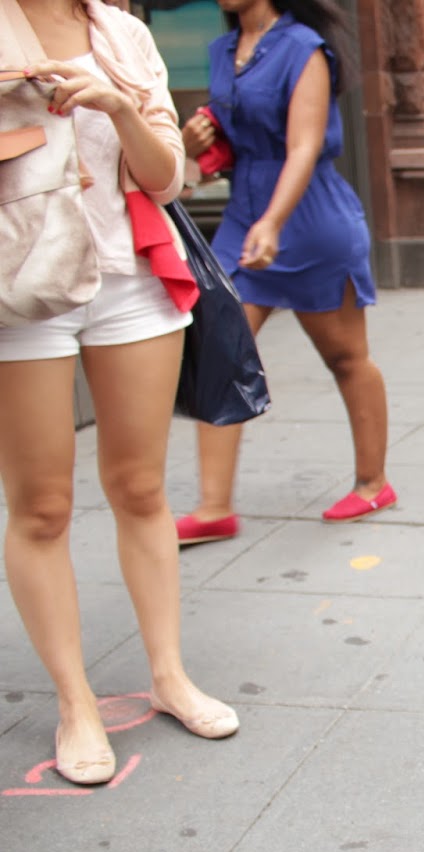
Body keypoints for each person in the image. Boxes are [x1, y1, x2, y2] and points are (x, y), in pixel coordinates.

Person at [0, 0, 240, 784]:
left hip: (133, 280)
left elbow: (169, 179)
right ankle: (76, 703)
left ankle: (168, 675)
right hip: (22, 285)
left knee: (141, 487)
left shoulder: (123, 33)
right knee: (41, 506)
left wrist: (112, 102)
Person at [175, 0, 395, 541]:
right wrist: (189, 146)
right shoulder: (222, 51)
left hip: (308, 217)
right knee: (219, 354)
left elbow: (304, 144)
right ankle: (213, 508)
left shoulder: (303, 47)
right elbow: (229, 136)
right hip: (244, 213)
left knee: (346, 356)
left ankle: (373, 482)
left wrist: (274, 221)